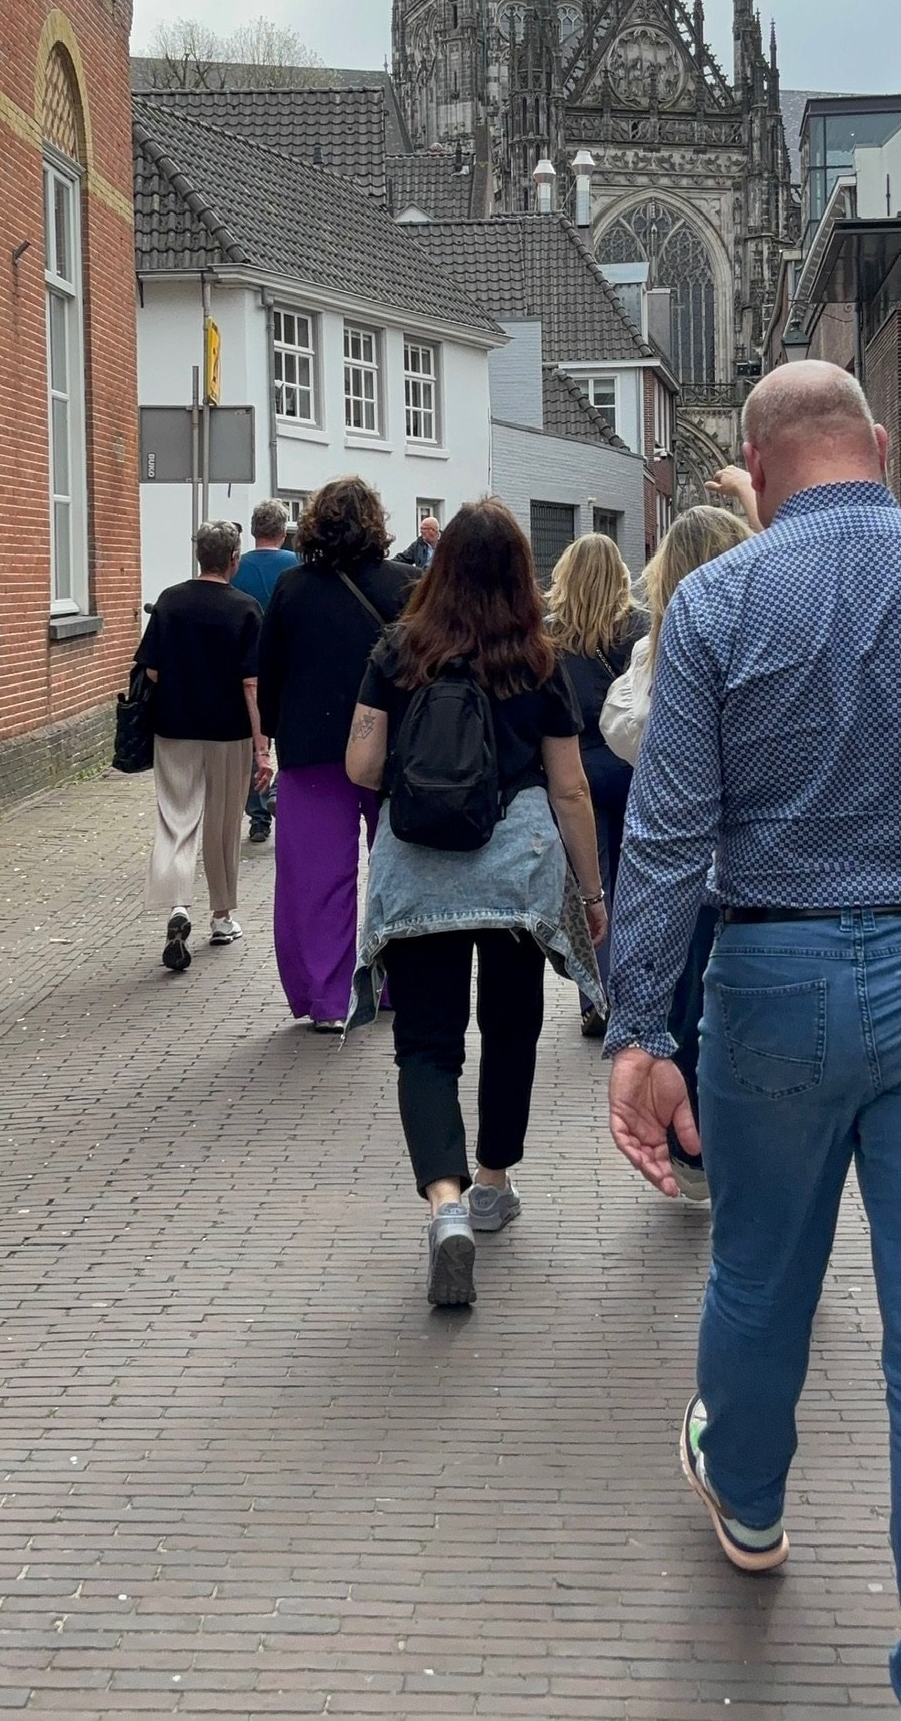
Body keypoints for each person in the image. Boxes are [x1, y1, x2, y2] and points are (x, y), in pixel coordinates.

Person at [604, 360, 901, 1721]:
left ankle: (745, 1500)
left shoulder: (717, 602)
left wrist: (641, 1028)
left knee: (757, 1283)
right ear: (873, 444)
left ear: (751, 469)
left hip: (771, 979)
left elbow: (669, 838)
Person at [345, 500, 609, 1309]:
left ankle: (446, 1204)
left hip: (420, 865)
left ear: (444, 567)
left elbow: (360, 764)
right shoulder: (536, 658)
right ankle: (494, 1178)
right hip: (515, 872)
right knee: (512, 1025)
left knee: (425, 1045)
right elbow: (569, 787)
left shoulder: (397, 650)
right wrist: (592, 894)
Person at [599, 504, 751, 1196]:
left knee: (687, 1001)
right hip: (751, 866)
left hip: (687, 859)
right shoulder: (763, 630)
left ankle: (694, 1142)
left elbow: (627, 733)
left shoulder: (661, 644)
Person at [257, 477, 417, 1031]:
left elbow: (270, 670)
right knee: (398, 867)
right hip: (394, 749)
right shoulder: (407, 586)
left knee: (318, 876)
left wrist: (270, 736)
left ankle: (329, 998)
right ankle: (399, 982)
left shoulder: (291, 588)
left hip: (312, 748)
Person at [136, 519, 271, 973]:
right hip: (228, 732)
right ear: (234, 559)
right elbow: (252, 685)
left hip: (174, 728)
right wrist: (261, 747)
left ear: (200, 556)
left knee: (176, 818)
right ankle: (221, 918)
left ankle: (178, 907)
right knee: (222, 823)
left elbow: (150, 671)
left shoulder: (170, 602)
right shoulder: (247, 609)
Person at [545, 531, 650, 1039]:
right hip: (633, 766)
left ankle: (596, 995)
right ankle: (634, 993)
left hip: (576, 769)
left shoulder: (551, 635)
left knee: (594, 888)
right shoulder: (642, 628)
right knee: (636, 885)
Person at [232, 502, 300, 844]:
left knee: (253, 740)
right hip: (287, 665)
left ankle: (258, 817)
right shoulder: (295, 566)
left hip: (245, 665)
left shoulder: (237, 566)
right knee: (284, 734)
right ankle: (279, 792)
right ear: (282, 530)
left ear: (255, 529)